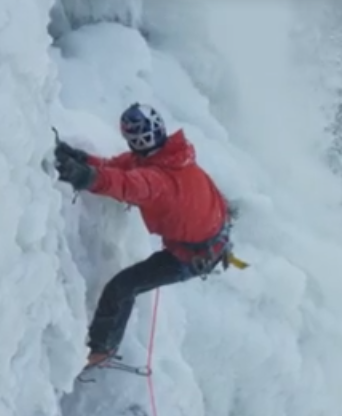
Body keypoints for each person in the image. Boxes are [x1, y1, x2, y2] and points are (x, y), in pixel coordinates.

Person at [53, 103, 247, 370]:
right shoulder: (173, 155)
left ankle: (102, 349)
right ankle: (103, 347)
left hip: (192, 256)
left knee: (121, 288)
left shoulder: (159, 179)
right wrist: (83, 161)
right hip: (213, 235)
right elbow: (117, 169)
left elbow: (125, 184)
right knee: (124, 287)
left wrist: (86, 177)